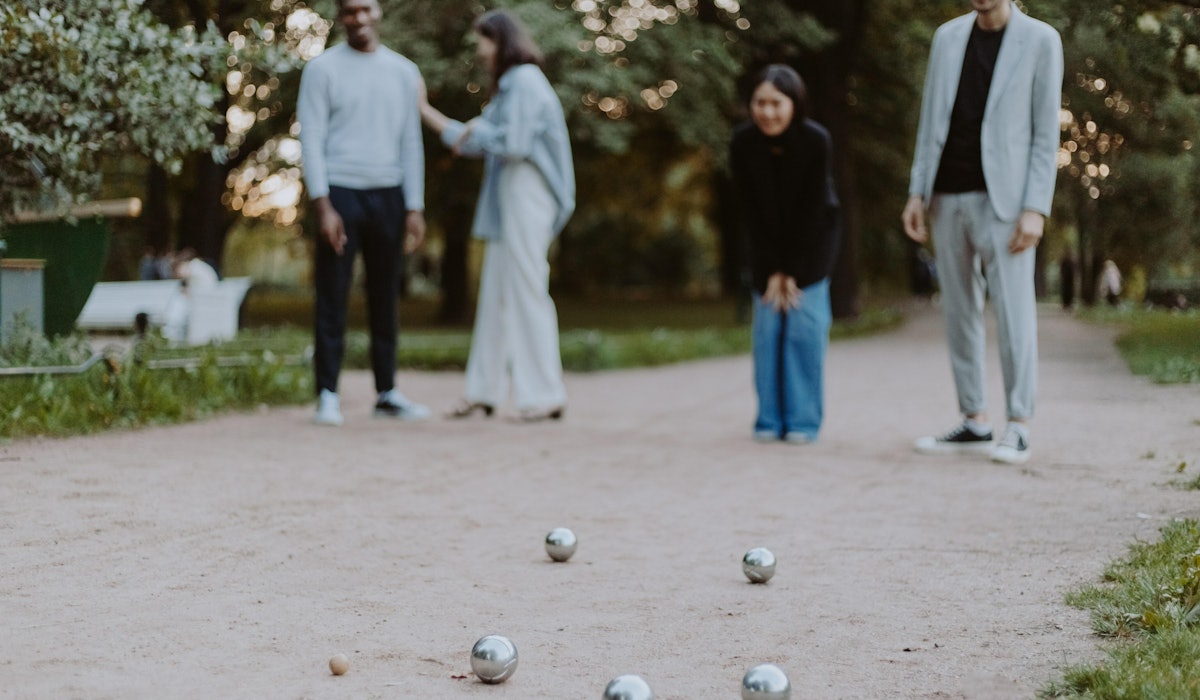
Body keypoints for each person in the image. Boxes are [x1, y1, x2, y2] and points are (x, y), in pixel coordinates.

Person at [902, 0, 1063, 465]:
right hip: (945, 196)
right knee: (958, 312)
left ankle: (1019, 425)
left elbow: (1045, 133)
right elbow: (930, 122)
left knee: (1014, 313)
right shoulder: (947, 38)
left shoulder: (1041, 40)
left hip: (1006, 203)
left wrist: (1035, 208)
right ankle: (974, 420)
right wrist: (917, 192)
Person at [418, 9, 575, 422]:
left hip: (528, 190)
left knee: (526, 290)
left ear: (500, 41)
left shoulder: (524, 80)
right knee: (496, 296)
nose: (479, 51)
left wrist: (476, 129)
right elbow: (471, 141)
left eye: (483, 42)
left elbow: (515, 144)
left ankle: (544, 394)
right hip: (510, 195)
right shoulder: (509, 88)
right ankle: (482, 391)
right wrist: (425, 110)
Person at [297, 0, 430, 427]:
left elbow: (411, 141)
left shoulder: (404, 72)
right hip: (340, 192)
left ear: (378, 11)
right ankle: (327, 394)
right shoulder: (321, 69)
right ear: (341, 18)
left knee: (385, 295)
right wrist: (323, 204)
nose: (359, 18)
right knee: (332, 294)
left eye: (365, 8)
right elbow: (311, 137)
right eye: (350, 11)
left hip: (389, 194)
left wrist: (414, 206)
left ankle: (387, 392)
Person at [730, 64, 840, 445]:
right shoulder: (742, 143)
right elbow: (749, 211)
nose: (767, 112)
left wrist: (792, 270)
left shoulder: (816, 140)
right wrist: (772, 269)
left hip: (813, 247)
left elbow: (813, 210)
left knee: (803, 331)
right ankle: (769, 419)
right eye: (759, 103)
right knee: (767, 331)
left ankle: (803, 422)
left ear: (794, 104)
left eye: (776, 103)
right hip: (766, 251)